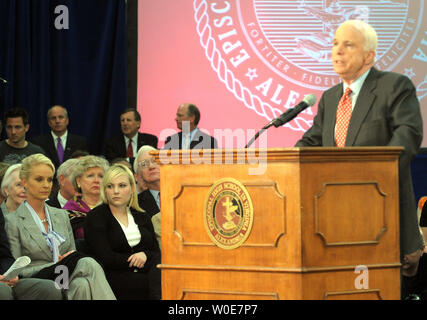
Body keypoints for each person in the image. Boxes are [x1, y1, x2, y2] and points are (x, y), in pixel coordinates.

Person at [294, 20, 423, 298]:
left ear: (368, 56)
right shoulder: (329, 98)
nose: (337, 51)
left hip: (380, 220)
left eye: (347, 44)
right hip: (331, 226)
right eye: (334, 43)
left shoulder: (394, 86)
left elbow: (408, 135)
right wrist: (290, 164)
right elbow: (313, 140)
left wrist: (367, 180)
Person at [4, 154, 115, 300]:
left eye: (49, 179)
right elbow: (17, 269)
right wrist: (57, 263)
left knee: (82, 283)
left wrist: (64, 262)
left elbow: (71, 253)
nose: (46, 185)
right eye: (39, 179)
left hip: (63, 274)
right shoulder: (12, 220)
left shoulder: (62, 215)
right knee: (87, 263)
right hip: (38, 278)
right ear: (24, 181)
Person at [84, 164, 161, 300]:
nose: (116, 191)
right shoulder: (95, 217)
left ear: (132, 188)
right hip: (114, 278)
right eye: (110, 186)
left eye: (122, 185)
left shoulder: (142, 216)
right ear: (104, 189)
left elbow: (155, 251)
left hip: (148, 275)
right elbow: (105, 257)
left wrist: (144, 255)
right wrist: (135, 261)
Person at [0, 207, 63, 300]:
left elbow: (4, 254)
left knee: (49, 288)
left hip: (4, 278)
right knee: (3, 291)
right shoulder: (13, 219)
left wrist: (10, 275)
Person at [63, 155, 109, 241]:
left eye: (101, 176)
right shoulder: (68, 211)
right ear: (78, 181)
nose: (96, 180)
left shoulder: (113, 207)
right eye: (90, 176)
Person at [32, 105, 89, 169]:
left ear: (67, 121)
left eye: (61, 117)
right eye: (53, 118)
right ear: (49, 122)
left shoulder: (80, 142)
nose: (57, 121)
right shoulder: (39, 142)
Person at [135, 145, 161, 218]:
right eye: (144, 164)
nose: (151, 166)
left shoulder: (183, 192)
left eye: (155, 161)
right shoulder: (135, 205)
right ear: (139, 175)